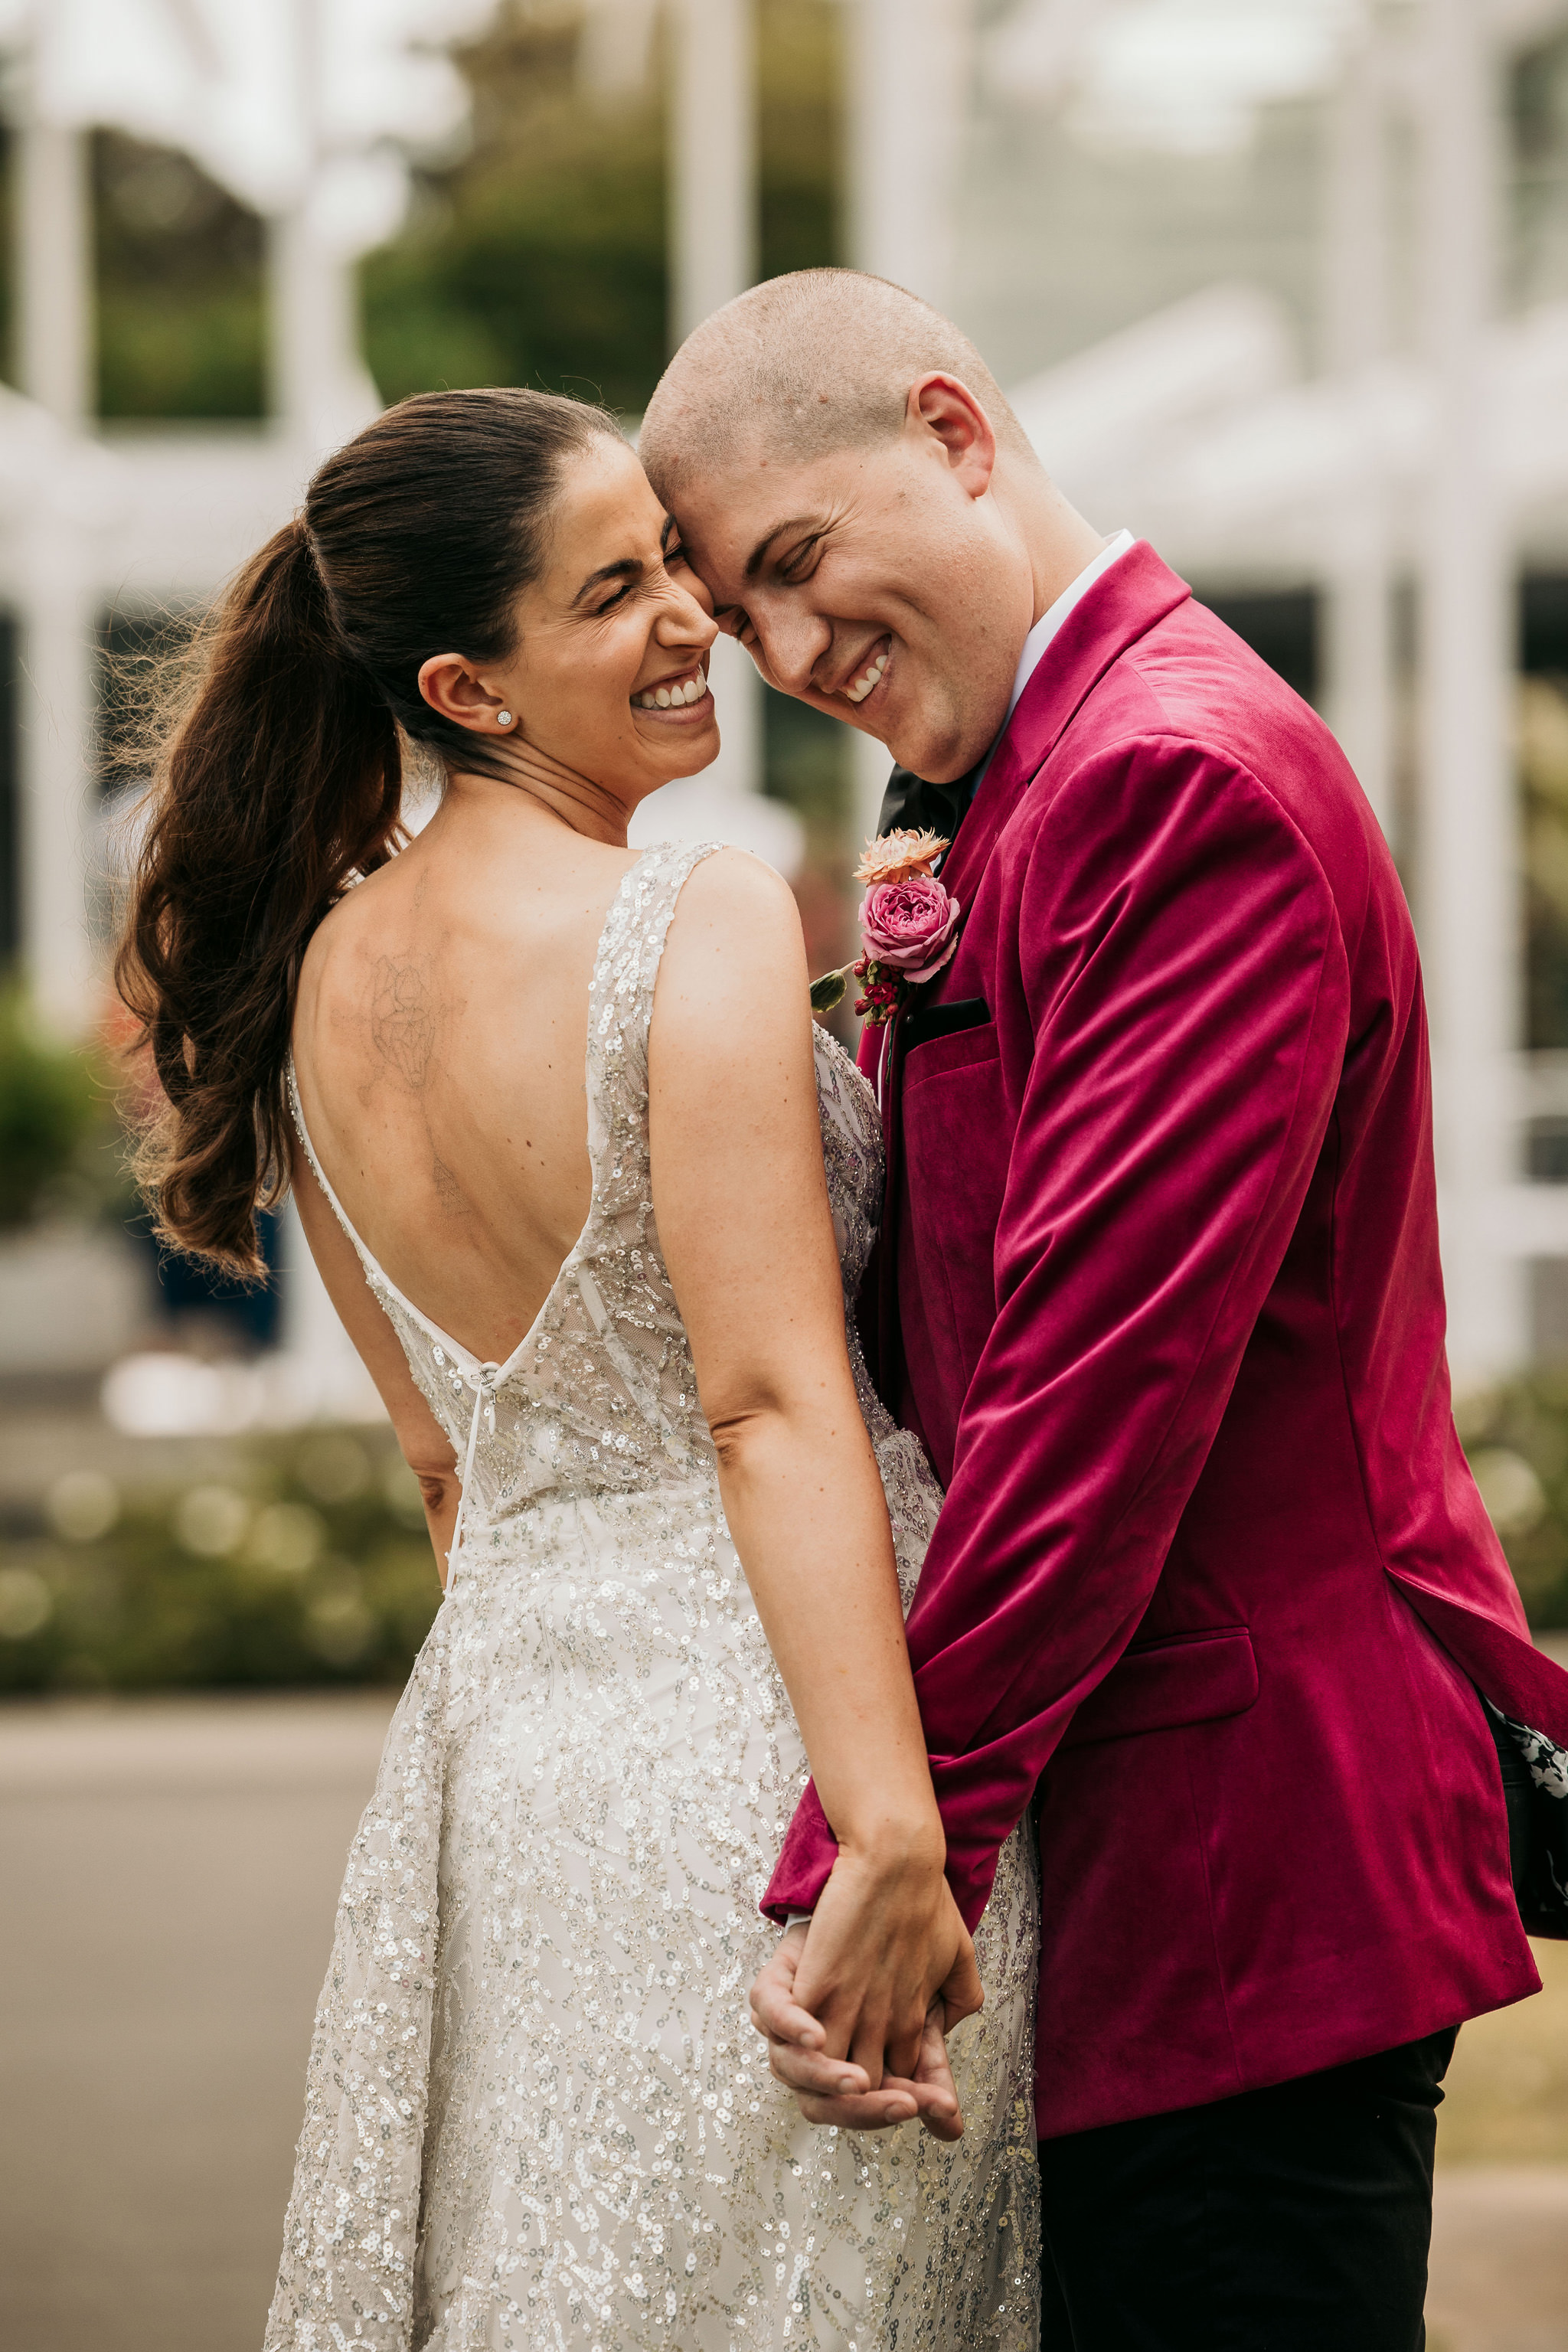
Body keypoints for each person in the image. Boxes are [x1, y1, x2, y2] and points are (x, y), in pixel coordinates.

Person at [639, 269, 1568, 2352]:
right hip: (1130, 1853)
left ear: (955, 433)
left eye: (796, 560)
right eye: (742, 615)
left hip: (1243, 1859)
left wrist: (896, 1843)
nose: (790, 652)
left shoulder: (1176, 776)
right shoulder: (1022, 772)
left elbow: (1095, 1390)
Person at [113, 387, 1042, 2351]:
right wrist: (892, 1825)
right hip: (787, 1746)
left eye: (671, 561)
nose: (695, 618)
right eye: (614, 593)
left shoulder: (305, 989)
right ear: (466, 689)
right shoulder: (692, 913)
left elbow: (450, 1473)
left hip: (513, 1788)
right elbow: (764, 1406)